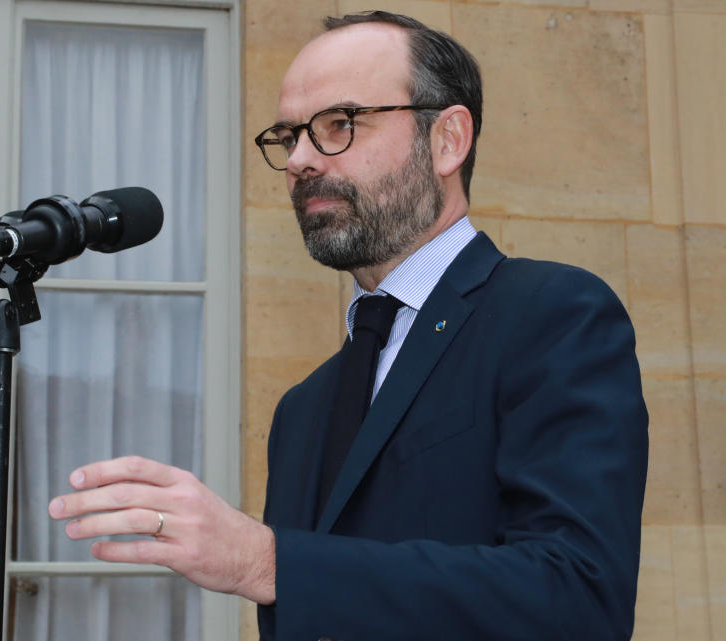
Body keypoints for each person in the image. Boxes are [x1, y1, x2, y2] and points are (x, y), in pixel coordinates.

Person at [48, 11, 648, 641]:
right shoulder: (302, 409)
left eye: (339, 124)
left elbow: (579, 597)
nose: (301, 159)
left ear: (448, 140)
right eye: (288, 136)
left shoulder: (552, 315)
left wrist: (266, 560)